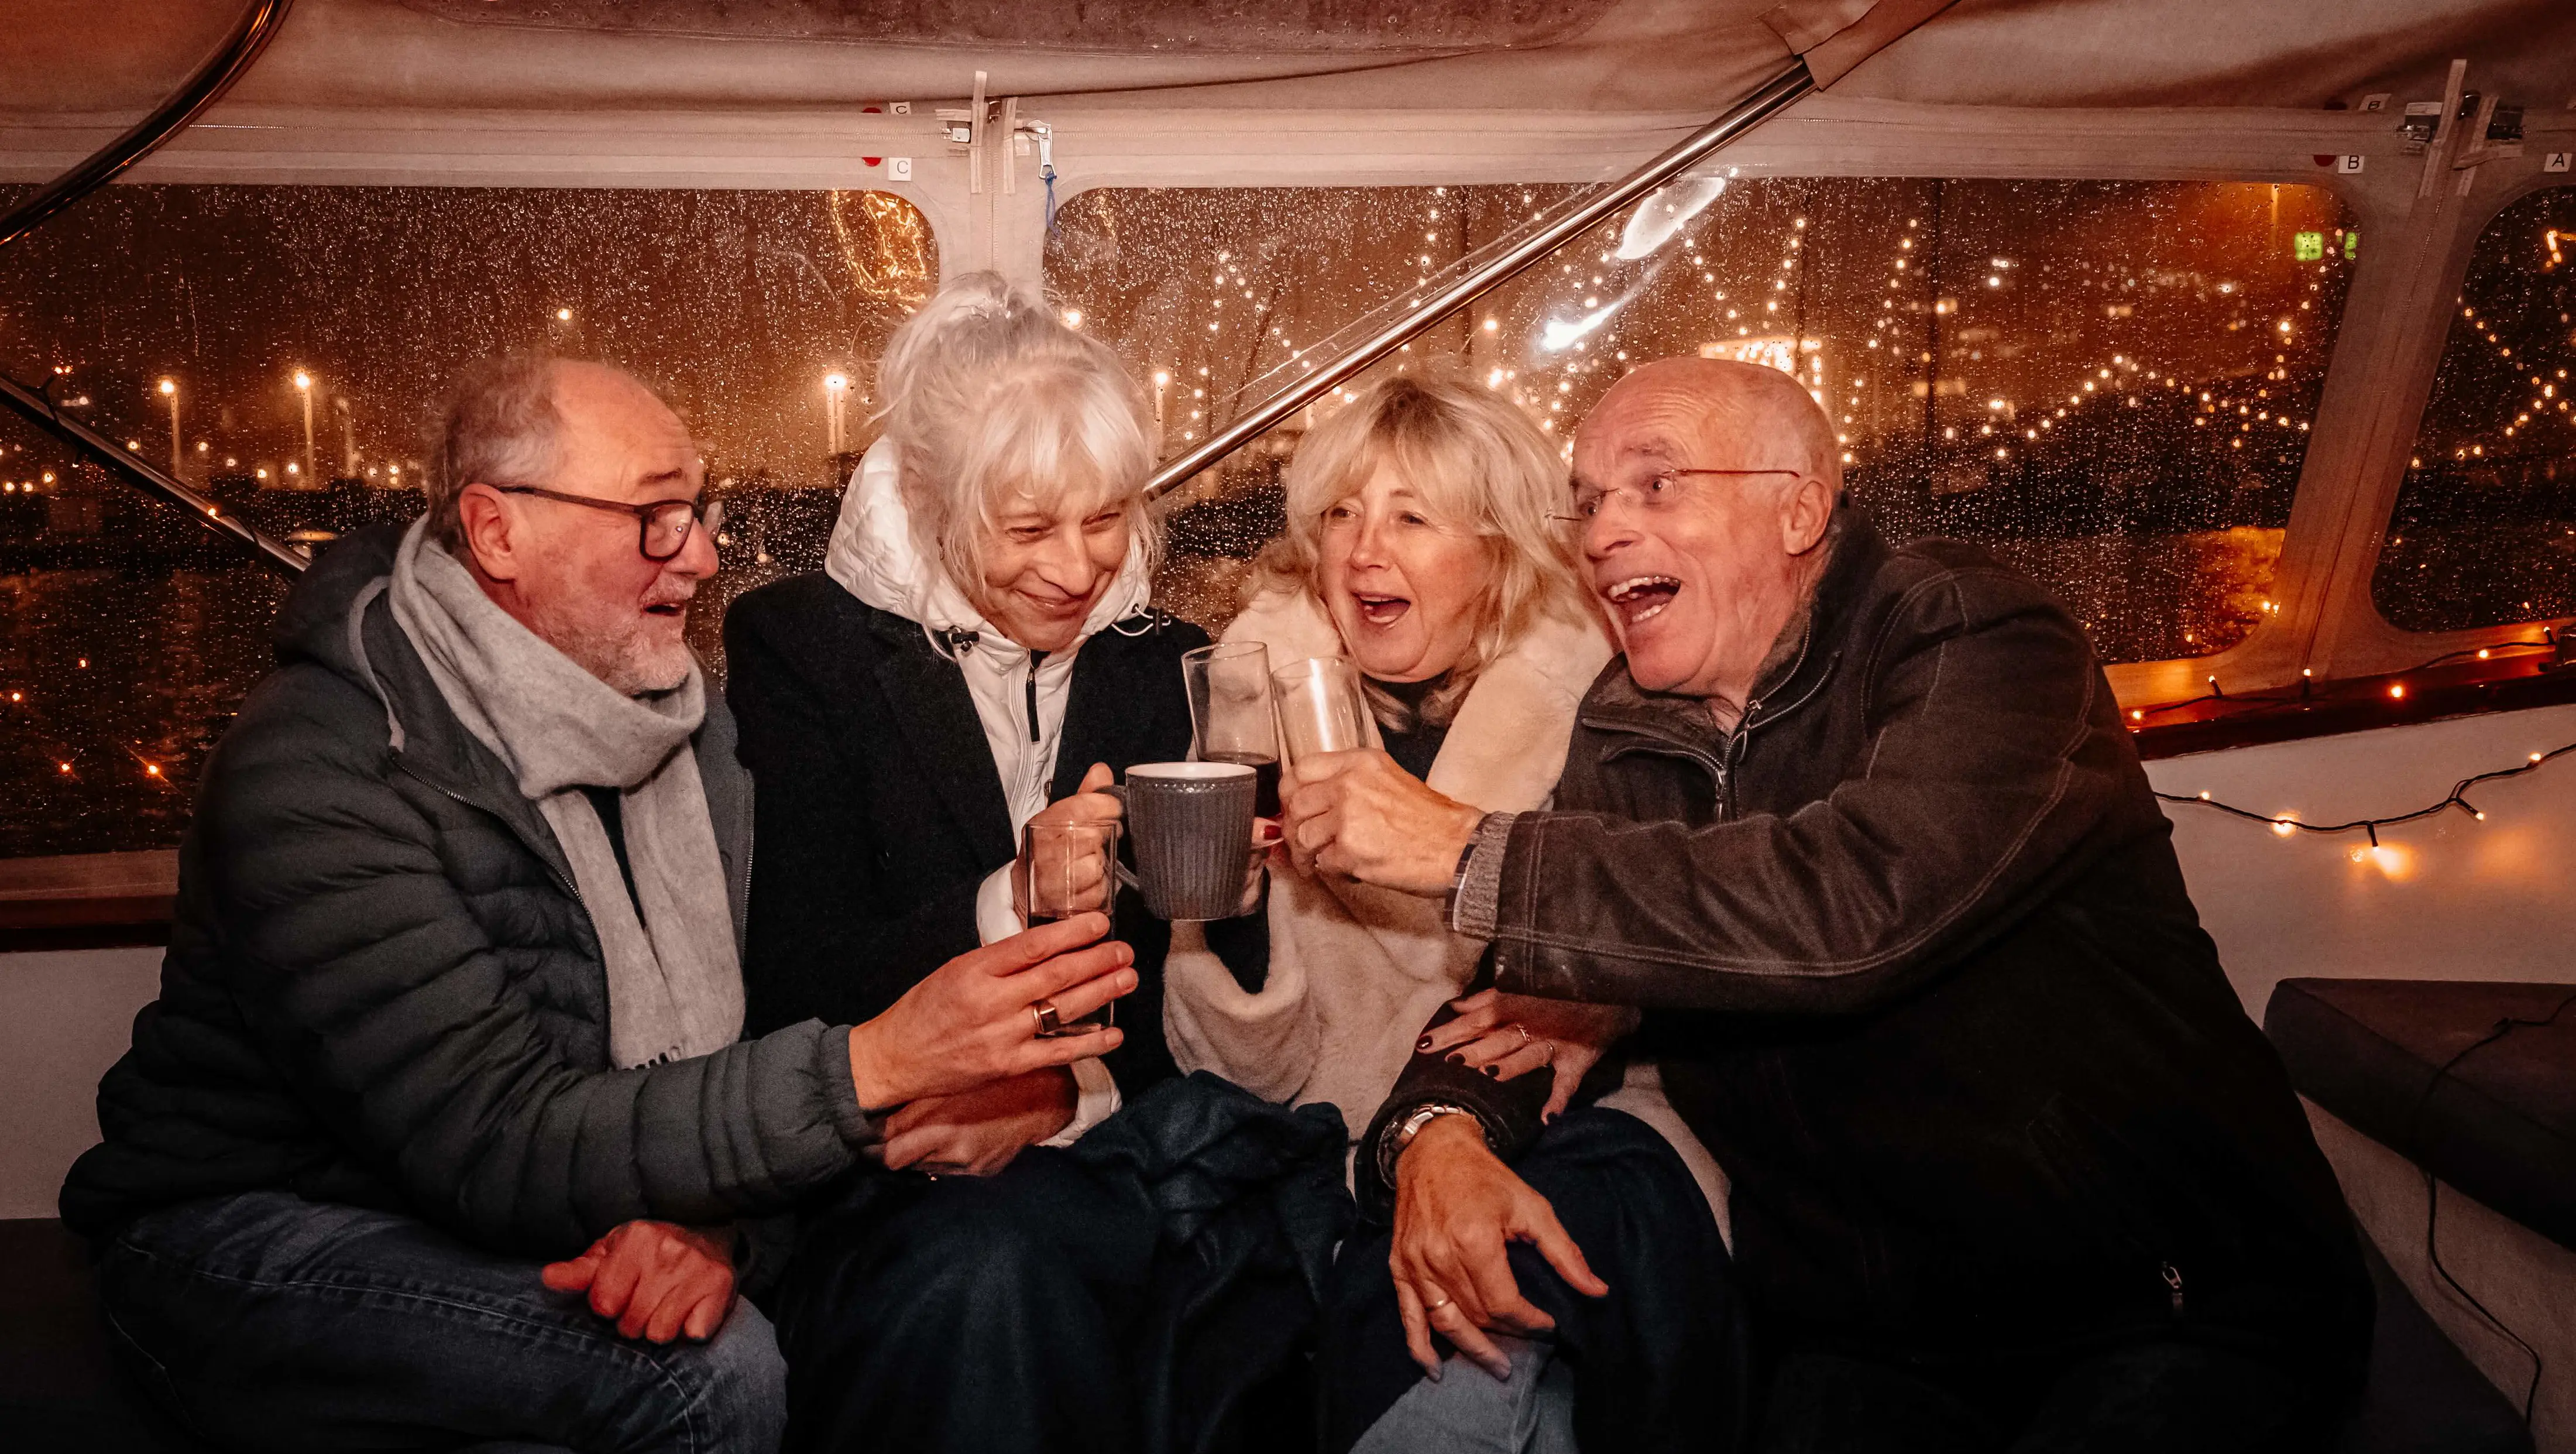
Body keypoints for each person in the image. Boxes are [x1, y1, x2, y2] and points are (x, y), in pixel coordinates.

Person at [1284, 356, 2373, 1452]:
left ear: (1800, 508)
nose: (1604, 529)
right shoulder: (1623, 729)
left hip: (2160, 1303)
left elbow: (1855, 906)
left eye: (1656, 485)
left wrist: (1467, 848)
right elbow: (1525, 994)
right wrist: (1438, 1135)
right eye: (1589, 500)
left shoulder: (1972, 633)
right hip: (1870, 1336)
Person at [59, 354, 1134, 1454]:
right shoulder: (324, 773)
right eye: (656, 518)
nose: (705, 558)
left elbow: (734, 1044)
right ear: (497, 534)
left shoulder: (684, 728)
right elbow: (494, 1138)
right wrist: (882, 1062)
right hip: (266, 1221)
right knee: (707, 1382)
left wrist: (713, 1232)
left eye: (699, 512)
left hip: (557, 1187)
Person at [728, 274, 1280, 1454]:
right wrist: (1009, 900)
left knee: (1263, 1268)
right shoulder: (802, 651)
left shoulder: (1171, 662)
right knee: (984, 1276)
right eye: (1027, 529)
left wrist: (1250, 890)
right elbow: (789, 984)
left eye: (1105, 518)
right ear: (927, 497)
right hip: (891, 1175)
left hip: (1118, 1143)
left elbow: (1184, 992)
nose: (1078, 569)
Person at [1164, 373, 1746, 1454]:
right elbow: (1238, 1073)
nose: (1362, 551)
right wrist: (1228, 907)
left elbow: (1622, 997)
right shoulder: (1250, 710)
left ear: (1499, 553)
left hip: (1576, 1115)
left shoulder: (1614, 707)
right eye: (1340, 514)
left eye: (1410, 517)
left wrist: (1440, 1129)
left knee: (1494, 1319)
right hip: (1319, 1145)